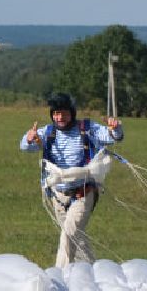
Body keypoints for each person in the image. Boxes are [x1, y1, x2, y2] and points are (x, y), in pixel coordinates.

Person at [20, 92, 123, 267]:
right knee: (77, 239)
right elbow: (25, 146)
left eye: (64, 113)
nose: (59, 117)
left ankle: (60, 278)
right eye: (56, 113)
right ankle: (93, 273)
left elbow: (112, 137)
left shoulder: (87, 128)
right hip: (58, 196)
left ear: (72, 113)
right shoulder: (48, 132)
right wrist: (29, 139)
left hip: (83, 193)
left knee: (68, 234)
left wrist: (116, 129)